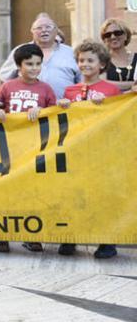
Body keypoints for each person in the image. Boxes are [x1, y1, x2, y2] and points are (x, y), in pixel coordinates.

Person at [55, 40, 119, 259]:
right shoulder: (69, 90)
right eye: (81, 60)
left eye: (90, 60)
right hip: (75, 151)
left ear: (101, 65)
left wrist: (107, 106)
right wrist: (61, 105)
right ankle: (70, 237)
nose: (85, 64)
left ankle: (107, 241)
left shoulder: (110, 90)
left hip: (102, 153)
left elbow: (119, 121)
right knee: (73, 195)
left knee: (101, 196)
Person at [0, 43, 57, 254]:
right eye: (29, 64)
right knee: (5, 190)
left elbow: (55, 114)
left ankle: (32, 235)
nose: (34, 68)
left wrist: (42, 109)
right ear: (19, 65)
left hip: (35, 147)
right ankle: (2, 235)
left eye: (38, 63)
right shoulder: (8, 86)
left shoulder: (46, 89)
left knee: (31, 191)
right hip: (10, 145)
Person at [0, 13, 80, 98]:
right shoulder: (20, 51)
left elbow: (83, 81)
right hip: (28, 108)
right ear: (32, 31)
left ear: (56, 30)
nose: (44, 30)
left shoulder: (71, 52)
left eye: (48, 27)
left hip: (64, 107)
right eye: (39, 28)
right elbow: (4, 79)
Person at [100, 18, 135, 92]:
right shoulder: (102, 60)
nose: (113, 37)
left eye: (117, 33)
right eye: (108, 35)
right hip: (112, 102)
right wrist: (132, 84)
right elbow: (101, 84)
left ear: (126, 36)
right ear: (104, 40)